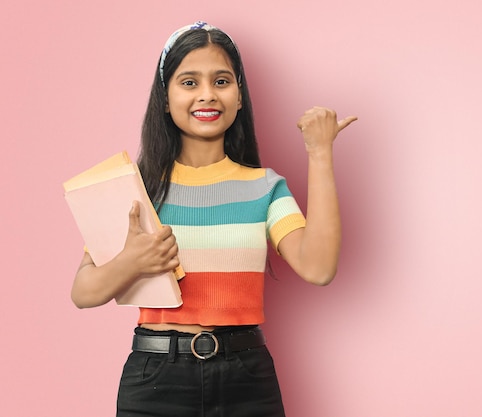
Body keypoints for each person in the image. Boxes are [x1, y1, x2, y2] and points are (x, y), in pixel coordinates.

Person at [70, 21, 357, 417]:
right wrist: (130, 262)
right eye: (189, 82)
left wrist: (320, 152)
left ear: (239, 97)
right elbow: (83, 292)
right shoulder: (137, 190)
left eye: (221, 81)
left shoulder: (265, 188)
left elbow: (319, 267)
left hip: (248, 379)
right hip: (155, 382)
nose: (207, 94)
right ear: (165, 100)